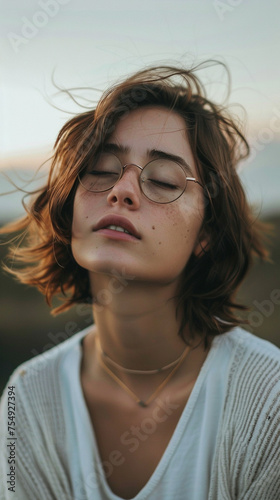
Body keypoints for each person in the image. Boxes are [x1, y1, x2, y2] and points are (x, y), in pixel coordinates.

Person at [0, 62, 279, 500]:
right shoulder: (26, 398)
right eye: (102, 168)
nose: (122, 190)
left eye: (164, 180)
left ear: (205, 233)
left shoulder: (268, 400)